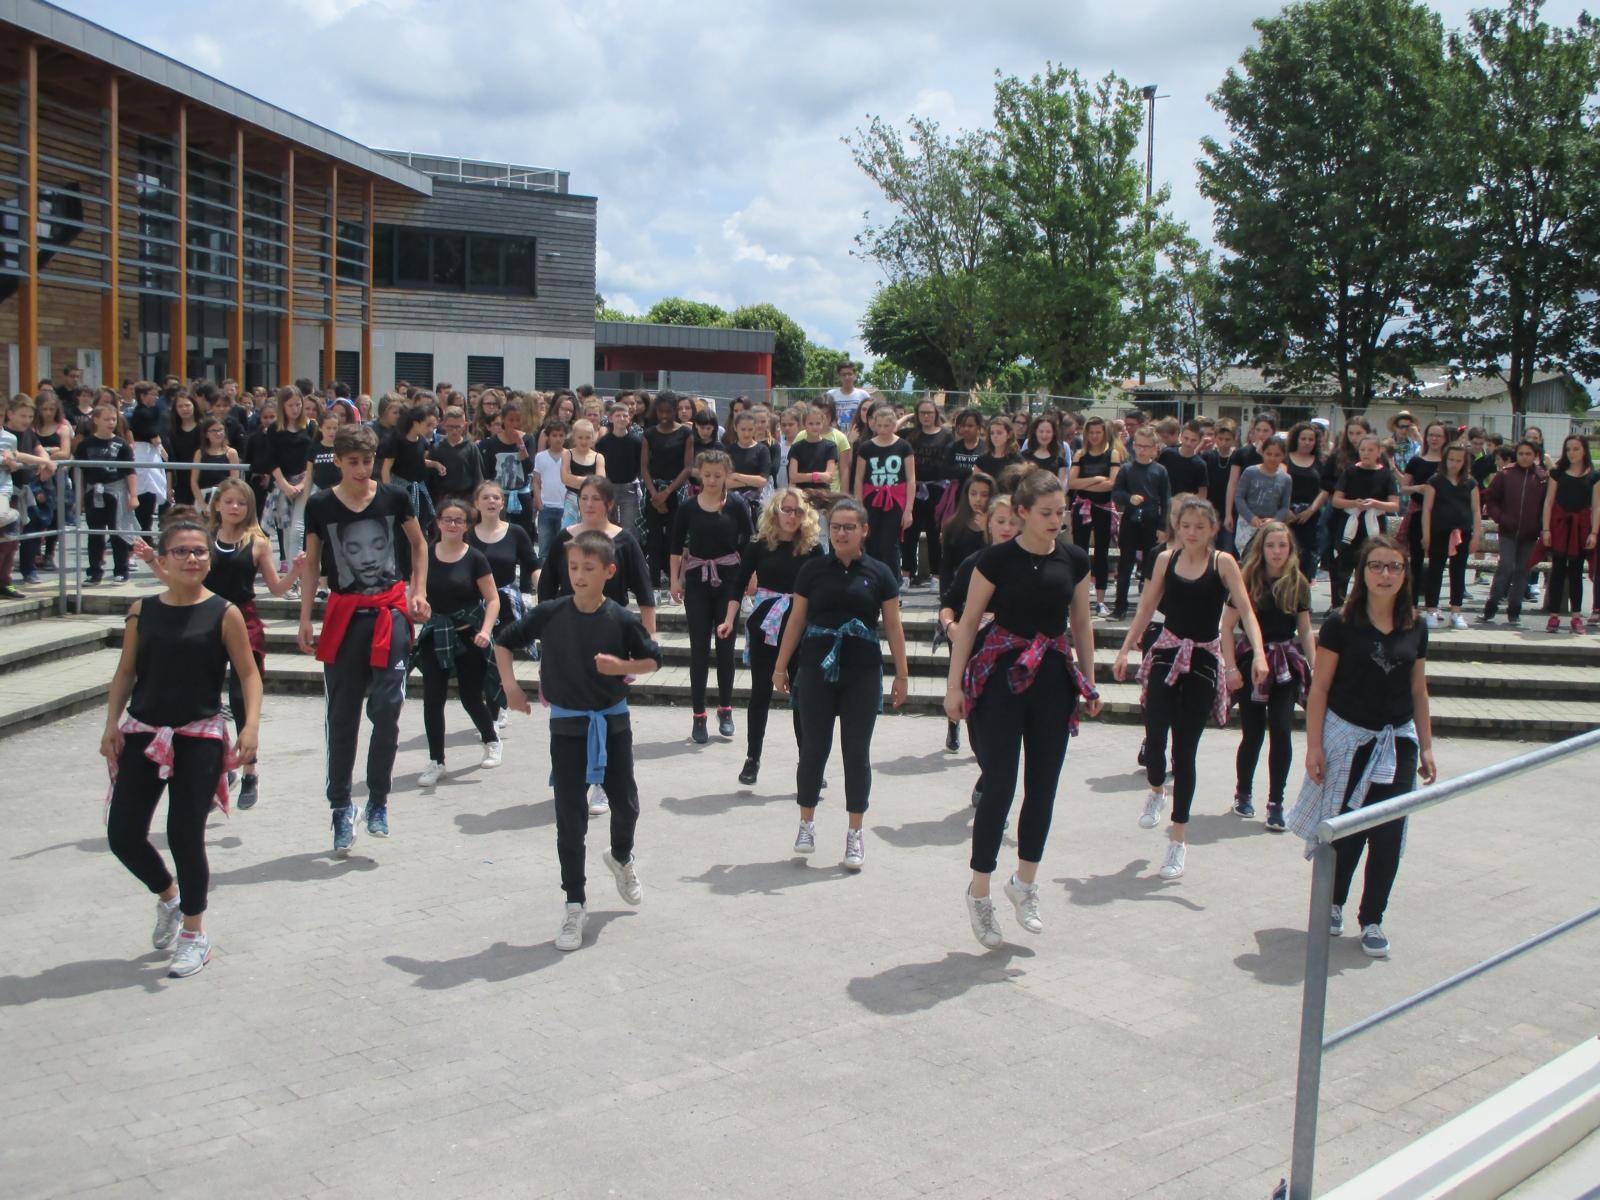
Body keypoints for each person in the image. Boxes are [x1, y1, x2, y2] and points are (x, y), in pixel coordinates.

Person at [943, 471, 1101, 947]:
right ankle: (979, 892)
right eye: (1047, 513)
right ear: (1025, 512)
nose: (1057, 521)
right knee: (1000, 787)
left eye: (1062, 512)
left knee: (1044, 786)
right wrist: (954, 686)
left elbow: (1082, 623)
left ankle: (1025, 884)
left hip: (1052, 676)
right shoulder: (995, 560)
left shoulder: (1074, 559)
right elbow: (969, 623)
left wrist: (1089, 682)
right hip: (1001, 677)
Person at [100, 518, 261, 978]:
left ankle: (194, 932)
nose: (193, 559)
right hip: (143, 733)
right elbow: (125, 672)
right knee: (123, 834)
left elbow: (248, 674)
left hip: (199, 736)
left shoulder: (223, 612)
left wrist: (251, 729)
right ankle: (169, 896)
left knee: (184, 835)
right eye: (182, 552)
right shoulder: (142, 610)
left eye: (200, 552)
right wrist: (111, 724)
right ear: (164, 559)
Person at [494, 531, 661, 952]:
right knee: (571, 819)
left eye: (589, 569)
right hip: (567, 728)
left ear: (608, 571)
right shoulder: (550, 612)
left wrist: (620, 666)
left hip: (612, 724)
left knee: (627, 804)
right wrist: (512, 688)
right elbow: (503, 642)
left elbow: (653, 659)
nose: (579, 576)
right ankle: (574, 903)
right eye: (573, 568)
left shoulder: (620, 618)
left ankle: (621, 856)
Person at [1289, 535, 1436, 959]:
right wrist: (1314, 746)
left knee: (1389, 835)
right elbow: (1319, 688)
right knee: (1346, 828)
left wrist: (1426, 747)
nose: (1385, 574)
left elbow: (1418, 689)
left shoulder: (1416, 625)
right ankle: (1332, 903)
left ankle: (1372, 917)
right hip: (1348, 738)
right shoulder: (1340, 622)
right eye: (1377, 566)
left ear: (1405, 574)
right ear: (1363, 572)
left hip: (1397, 742)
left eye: (1394, 566)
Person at [1114, 496, 1266, 881]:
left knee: (1186, 751)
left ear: (1213, 529)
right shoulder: (1166, 560)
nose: (1193, 532)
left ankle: (1177, 840)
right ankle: (1155, 789)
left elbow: (1245, 611)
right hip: (1167, 649)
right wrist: (1125, 647)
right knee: (1155, 729)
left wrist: (1259, 655)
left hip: (1202, 657)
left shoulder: (1224, 563)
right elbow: (1147, 606)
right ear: (1177, 528)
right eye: (1186, 526)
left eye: (1201, 526)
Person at [298, 424, 429, 855]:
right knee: (342, 717)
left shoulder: (393, 497)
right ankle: (340, 806)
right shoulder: (320, 504)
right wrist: (304, 618)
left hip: (389, 612)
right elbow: (313, 561)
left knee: (388, 709)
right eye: (352, 461)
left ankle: (377, 800)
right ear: (337, 461)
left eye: (367, 461)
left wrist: (418, 590)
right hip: (344, 613)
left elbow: (418, 544)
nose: (360, 469)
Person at [773, 497, 908, 869]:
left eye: (849, 527)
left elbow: (893, 626)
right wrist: (781, 666)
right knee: (813, 748)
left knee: (856, 752)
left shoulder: (880, 573)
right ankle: (806, 823)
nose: (841, 533)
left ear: (864, 530)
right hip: (816, 666)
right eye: (835, 526)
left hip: (861, 671)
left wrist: (902, 673)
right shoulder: (813, 570)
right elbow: (797, 620)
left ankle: (855, 833)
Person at [1222, 522, 1313, 829]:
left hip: (1285, 664)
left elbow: (1304, 630)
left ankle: (1276, 802)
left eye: (1282, 546)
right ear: (1261, 548)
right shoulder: (1247, 578)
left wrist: (1314, 668)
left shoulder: (1298, 582)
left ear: (1291, 550)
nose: (1276, 552)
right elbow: (1226, 626)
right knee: (1253, 732)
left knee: (1282, 730)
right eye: (1271, 545)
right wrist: (1230, 667)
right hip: (1252, 662)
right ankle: (1243, 792)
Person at [736, 485, 825, 786]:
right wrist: (726, 619)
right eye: (786, 509)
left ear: (806, 515)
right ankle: (752, 758)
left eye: (798, 511)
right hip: (767, 625)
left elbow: (823, 590)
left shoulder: (814, 547)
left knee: (803, 696)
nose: (791, 516)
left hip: (802, 626)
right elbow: (737, 584)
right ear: (775, 511)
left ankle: (808, 762)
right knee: (760, 692)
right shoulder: (759, 544)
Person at [414, 498, 501, 787]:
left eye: (458, 521)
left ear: (467, 526)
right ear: (437, 522)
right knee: (433, 698)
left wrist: (486, 631)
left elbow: (492, 599)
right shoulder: (425, 554)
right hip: (436, 633)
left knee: (470, 697)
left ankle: (491, 740)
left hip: (468, 633)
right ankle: (436, 761)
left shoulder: (475, 557)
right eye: (447, 519)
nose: (452, 525)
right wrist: (418, 606)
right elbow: (416, 592)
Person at [671, 451, 753, 744]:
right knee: (699, 650)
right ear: (699, 474)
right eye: (707, 475)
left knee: (725, 647)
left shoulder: (738, 504)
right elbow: (676, 543)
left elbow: (750, 540)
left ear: (727, 475)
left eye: (718, 475)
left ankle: (726, 709)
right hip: (696, 580)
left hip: (729, 580)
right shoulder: (688, 507)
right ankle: (698, 716)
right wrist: (674, 579)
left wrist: (751, 575)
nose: (713, 480)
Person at [936, 493, 1021, 763]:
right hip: (975, 652)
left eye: (1013, 521)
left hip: (1013, 655)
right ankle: (987, 770)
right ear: (989, 524)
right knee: (978, 725)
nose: (1007, 527)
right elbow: (948, 602)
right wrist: (951, 627)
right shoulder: (973, 562)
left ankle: (991, 779)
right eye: (1001, 521)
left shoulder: (1029, 563)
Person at [467, 480, 539, 730]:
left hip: (506, 603)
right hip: (475, 605)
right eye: (485, 498)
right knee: (479, 660)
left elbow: (533, 563)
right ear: (476, 503)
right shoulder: (467, 534)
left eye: (496, 498)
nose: (491, 502)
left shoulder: (515, 532)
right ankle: (492, 707)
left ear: (503, 503)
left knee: (498, 657)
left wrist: (543, 590)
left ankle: (496, 712)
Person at [1481, 440, 1548, 628]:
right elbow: (1491, 500)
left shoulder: (1542, 478)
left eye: (1528, 454)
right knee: (1506, 567)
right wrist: (1501, 518)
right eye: (1521, 453)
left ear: (1535, 456)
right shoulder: (1505, 474)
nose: (1524, 457)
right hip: (1507, 531)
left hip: (1530, 533)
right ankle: (1491, 607)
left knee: (1522, 570)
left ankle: (1514, 610)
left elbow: (1546, 505)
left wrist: (1540, 525)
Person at [1329, 435, 1398, 610]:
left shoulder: (1385, 475)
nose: (1366, 453)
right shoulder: (1350, 472)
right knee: (1342, 566)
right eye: (1363, 450)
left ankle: (1364, 606)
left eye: (1370, 450)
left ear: (1378, 452)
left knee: (1370, 565)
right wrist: (1354, 503)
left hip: (1374, 525)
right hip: (1350, 524)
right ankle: (1337, 605)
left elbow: (1394, 505)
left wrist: (1375, 504)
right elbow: (1336, 500)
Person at [1110, 427, 1171, 618]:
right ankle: (1120, 607)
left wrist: (1163, 527)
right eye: (1139, 446)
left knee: (1150, 568)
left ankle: (1148, 607)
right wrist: (1129, 498)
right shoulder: (1127, 469)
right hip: (1130, 520)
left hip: (1151, 522)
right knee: (1125, 566)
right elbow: (1116, 493)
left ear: (1154, 448)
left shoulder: (1160, 470)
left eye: (1147, 447)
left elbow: (1166, 499)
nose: (1142, 450)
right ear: (1134, 446)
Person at [1538, 434, 1596, 633]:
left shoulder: (1593, 475)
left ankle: (1576, 616)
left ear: (1584, 450)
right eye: (1568, 449)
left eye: (1576, 449)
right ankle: (1554, 616)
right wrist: (1546, 529)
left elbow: (1596, 507)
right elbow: (1548, 502)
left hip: (1580, 530)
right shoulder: (1557, 473)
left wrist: (1594, 533)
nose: (1572, 453)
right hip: (1560, 528)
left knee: (1576, 572)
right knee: (1557, 572)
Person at [1421, 444, 1483, 631]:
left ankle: (1456, 611)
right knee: (1435, 570)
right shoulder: (1435, 481)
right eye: (1451, 460)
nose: (1454, 464)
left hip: (1462, 533)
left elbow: (1476, 510)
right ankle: (1431, 610)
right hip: (1439, 532)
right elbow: (1427, 509)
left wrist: (1476, 535)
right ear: (1445, 459)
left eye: (1458, 460)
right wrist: (1426, 534)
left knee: (1458, 572)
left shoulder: (1470, 483)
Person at [853, 400, 916, 579]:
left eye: (887, 425)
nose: (883, 429)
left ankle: (893, 584)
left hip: (895, 500)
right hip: (871, 498)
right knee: (870, 541)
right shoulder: (866, 447)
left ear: (894, 424)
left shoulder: (903, 446)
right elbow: (859, 478)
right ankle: (870, 579)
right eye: (879, 425)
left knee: (890, 544)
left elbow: (911, 479)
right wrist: (859, 504)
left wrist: (908, 510)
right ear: (873, 424)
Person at [75, 402, 136, 584]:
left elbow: (130, 471)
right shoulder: (86, 444)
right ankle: (94, 571)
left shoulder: (121, 444)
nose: (111, 422)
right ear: (95, 420)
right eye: (106, 419)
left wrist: (133, 496)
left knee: (118, 531)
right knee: (95, 533)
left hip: (116, 489)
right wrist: (79, 498)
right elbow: (79, 471)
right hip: (94, 489)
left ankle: (121, 570)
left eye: (114, 419)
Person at [1068, 416, 1122, 615]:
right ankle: (1079, 598)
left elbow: (1112, 483)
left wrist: (1087, 482)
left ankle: (1100, 600)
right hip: (1083, 506)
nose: (1095, 436)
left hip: (1103, 507)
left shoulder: (1112, 454)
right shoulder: (1080, 454)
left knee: (1101, 553)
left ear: (1104, 433)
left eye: (1098, 432)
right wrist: (1097, 479)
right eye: (1091, 433)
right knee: (1080, 552)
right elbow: (1072, 483)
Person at [640, 393, 691, 591]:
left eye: (668, 411)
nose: (664, 415)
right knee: (653, 540)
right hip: (653, 491)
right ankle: (653, 585)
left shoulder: (685, 433)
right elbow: (644, 467)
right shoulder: (649, 434)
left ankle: (673, 583)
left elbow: (688, 467)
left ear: (675, 411)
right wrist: (655, 494)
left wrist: (668, 492)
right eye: (660, 411)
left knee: (674, 539)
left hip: (676, 491)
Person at [902, 397, 952, 587]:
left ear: (936, 413)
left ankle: (936, 575)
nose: (926, 416)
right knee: (910, 533)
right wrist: (906, 417)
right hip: (914, 488)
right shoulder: (910, 434)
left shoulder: (946, 435)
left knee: (934, 532)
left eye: (929, 412)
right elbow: (889, 430)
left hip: (937, 489)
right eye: (921, 413)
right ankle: (906, 573)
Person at [1400, 421, 1448, 585]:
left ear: (1445, 438)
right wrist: (1417, 488)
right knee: (1416, 559)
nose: (1434, 439)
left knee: (1438, 561)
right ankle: (1412, 603)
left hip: (1441, 515)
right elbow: (1404, 488)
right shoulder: (1416, 461)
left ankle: (1431, 604)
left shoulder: (1449, 462)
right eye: (1431, 435)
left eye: (1438, 435)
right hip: (1418, 513)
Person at [939, 471, 995, 604]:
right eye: (973, 494)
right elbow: (946, 567)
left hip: (991, 593)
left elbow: (996, 557)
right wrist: (946, 601)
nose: (978, 499)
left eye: (984, 495)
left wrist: (986, 531)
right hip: (961, 592)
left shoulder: (1000, 526)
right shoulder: (953, 526)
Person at [1232, 435, 1293, 557]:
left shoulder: (1286, 478)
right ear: (1262, 453)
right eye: (1269, 454)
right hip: (1248, 524)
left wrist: (1274, 520)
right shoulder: (1250, 472)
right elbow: (1239, 497)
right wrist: (1251, 517)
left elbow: (1285, 506)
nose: (1272, 458)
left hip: (1270, 526)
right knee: (1247, 557)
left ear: (1283, 456)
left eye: (1277, 455)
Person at [1283, 422, 1327, 580]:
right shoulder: (1284, 459)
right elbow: (1278, 486)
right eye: (1303, 438)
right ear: (1296, 439)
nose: (1307, 442)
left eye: (1311, 439)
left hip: (1310, 517)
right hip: (1286, 515)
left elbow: (1325, 490)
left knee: (1307, 558)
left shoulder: (1321, 462)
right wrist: (1285, 509)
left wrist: (1311, 510)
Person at [597, 400, 644, 535]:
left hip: (629, 489)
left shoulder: (636, 441)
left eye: (625, 415)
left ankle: (626, 555)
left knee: (629, 528)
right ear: (611, 418)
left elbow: (640, 464)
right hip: (608, 487)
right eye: (618, 415)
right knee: (607, 526)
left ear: (629, 418)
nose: (621, 418)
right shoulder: (603, 442)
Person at [427, 405, 484, 506]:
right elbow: (430, 479)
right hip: (443, 498)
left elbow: (478, 476)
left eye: (458, 427)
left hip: (466, 497)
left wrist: (477, 500)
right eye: (451, 426)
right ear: (443, 425)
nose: (454, 430)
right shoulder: (437, 448)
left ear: (465, 425)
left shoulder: (471, 447)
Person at [726, 409, 773, 514]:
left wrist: (737, 476)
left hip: (757, 504)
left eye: (750, 429)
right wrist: (751, 482)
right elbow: (726, 482)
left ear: (755, 429)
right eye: (743, 429)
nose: (746, 433)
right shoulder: (729, 450)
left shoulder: (762, 450)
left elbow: (762, 481)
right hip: (732, 502)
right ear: (735, 428)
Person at [560, 417, 605, 527]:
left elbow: (600, 481)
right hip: (572, 497)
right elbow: (565, 478)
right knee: (569, 529)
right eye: (580, 437)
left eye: (587, 438)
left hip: (592, 499)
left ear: (593, 437)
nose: (584, 441)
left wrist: (575, 479)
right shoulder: (567, 454)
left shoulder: (598, 457)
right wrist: (589, 480)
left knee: (591, 529)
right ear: (574, 437)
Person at [786, 404, 841, 494]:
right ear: (804, 425)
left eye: (818, 423)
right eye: (811, 424)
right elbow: (793, 477)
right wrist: (817, 476)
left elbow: (828, 477)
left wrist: (803, 477)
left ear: (823, 423)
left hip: (822, 495)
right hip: (801, 495)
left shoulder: (830, 446)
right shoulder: (796, 447)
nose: (814, 427)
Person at [976, 415, 1022, 482]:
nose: (995, 436)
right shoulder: (981, 460)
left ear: (1009, 434)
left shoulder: (1017, 459)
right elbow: (976, 483)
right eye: (992, 433)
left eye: (999, 433)